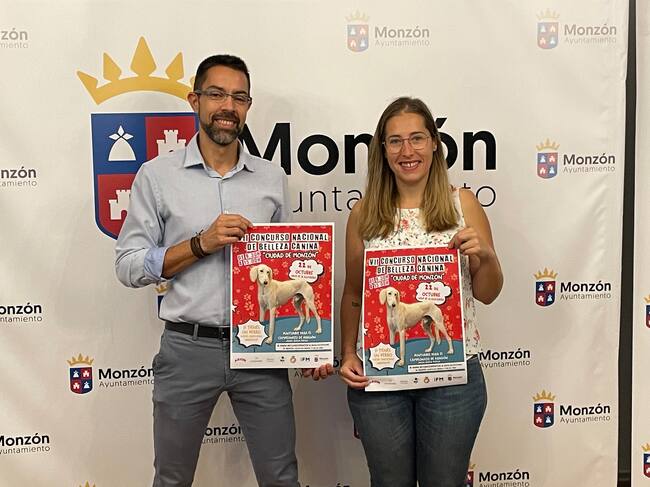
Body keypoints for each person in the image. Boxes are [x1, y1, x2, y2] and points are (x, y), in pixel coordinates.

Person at [115, 54, 331, 487]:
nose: (227, 106)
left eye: (239, 97)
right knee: (172, 479)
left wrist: (309, 345)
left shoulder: (271, 177)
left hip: (261, 349)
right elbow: (128, 265)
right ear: (195, 100)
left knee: (281, 477)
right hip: (188, 347)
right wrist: (200, 244)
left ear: (248, 106)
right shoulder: (157, 176)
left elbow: (289, 265)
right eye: (216, 94)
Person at [339, 97, 503, 487]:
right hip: (381, 378)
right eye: (395, 141)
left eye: (417, 138)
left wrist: (485, 255)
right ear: (382, 150)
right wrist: (347, 352)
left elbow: (488, 293)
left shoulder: (463, 204)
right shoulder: (364, 213)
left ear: (433, 144)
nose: (407, 151)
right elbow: (354, 293)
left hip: (453, 380)